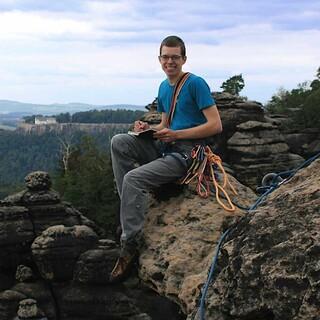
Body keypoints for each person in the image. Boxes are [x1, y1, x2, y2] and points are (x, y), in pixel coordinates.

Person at [109, 35, 222, 282]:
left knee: (133, 179)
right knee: (119, 142)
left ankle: (130, 243)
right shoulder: (163, 86)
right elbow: (165, 124)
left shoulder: (195, 84)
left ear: (184, 59)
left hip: (187, 154)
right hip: (167, 148)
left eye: (175, 57)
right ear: (159, 59)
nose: (170, 61)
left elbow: (215, 125)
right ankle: (130, 207)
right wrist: (146, 128)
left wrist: (176, 134)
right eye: (165, 57)